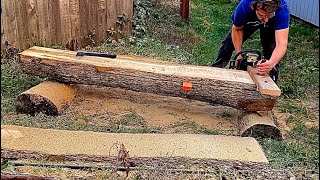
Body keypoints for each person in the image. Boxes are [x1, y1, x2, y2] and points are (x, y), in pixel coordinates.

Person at [211, 0, 290, 82]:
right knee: (228, 44)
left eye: (269, 15)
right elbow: (237, 30)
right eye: (261, 15)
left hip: (272, 24)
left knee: (271, 51)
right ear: (253, 7)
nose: (265, 20)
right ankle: (216, 69)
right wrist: (239, 54)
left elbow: (281, 44)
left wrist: (271, 63)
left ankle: (271, 81)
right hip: (250, 17)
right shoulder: (245, 6)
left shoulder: (282, 9)